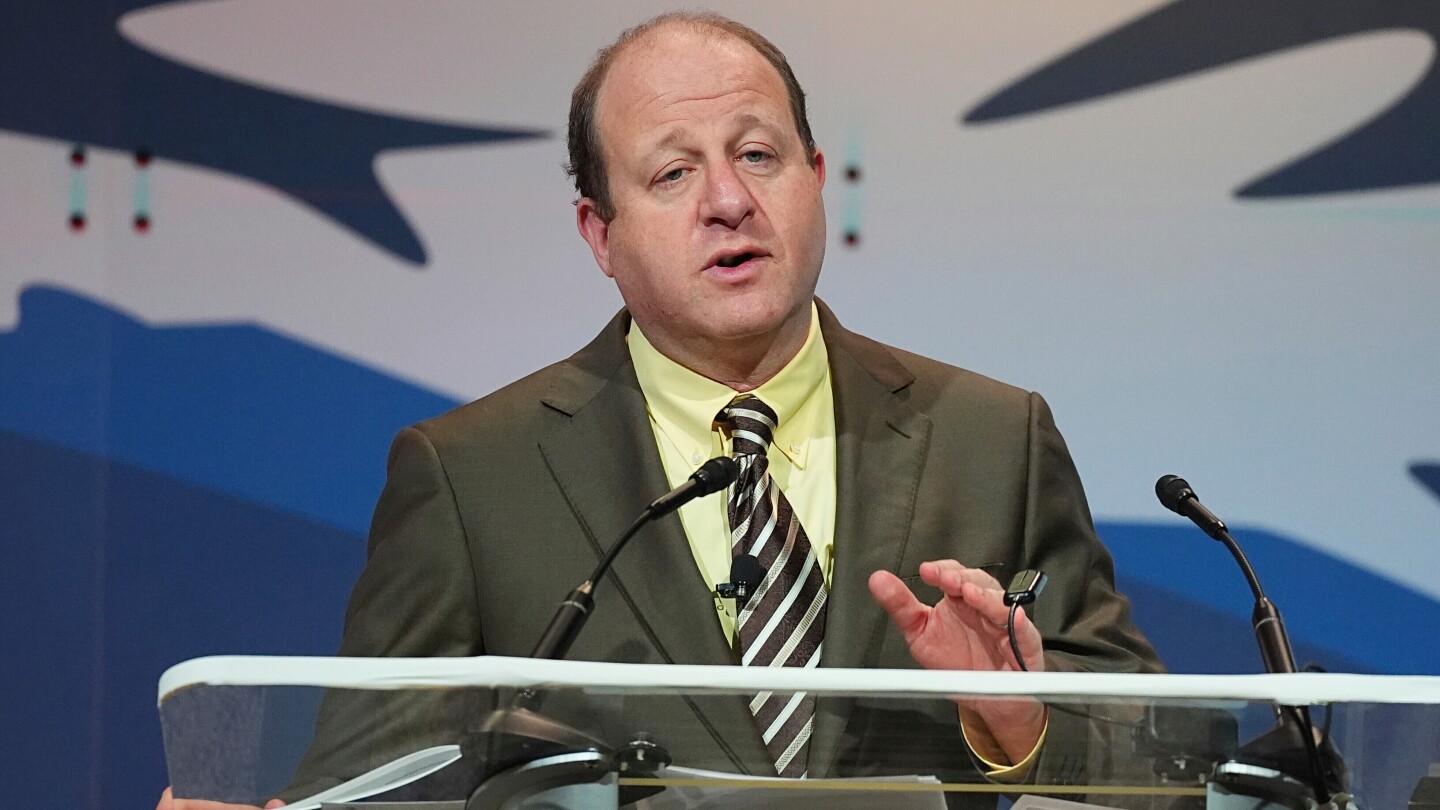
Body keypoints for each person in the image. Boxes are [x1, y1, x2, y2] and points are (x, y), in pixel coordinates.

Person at [157, 11, 1160, 810]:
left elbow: (1158, 763)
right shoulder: (472, 478)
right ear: (600, 232)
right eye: (674, 173)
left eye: (758, 155)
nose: (728, 200)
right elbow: (369, 786)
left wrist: (1020, 723)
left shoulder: (992, 438)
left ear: (816, 180)